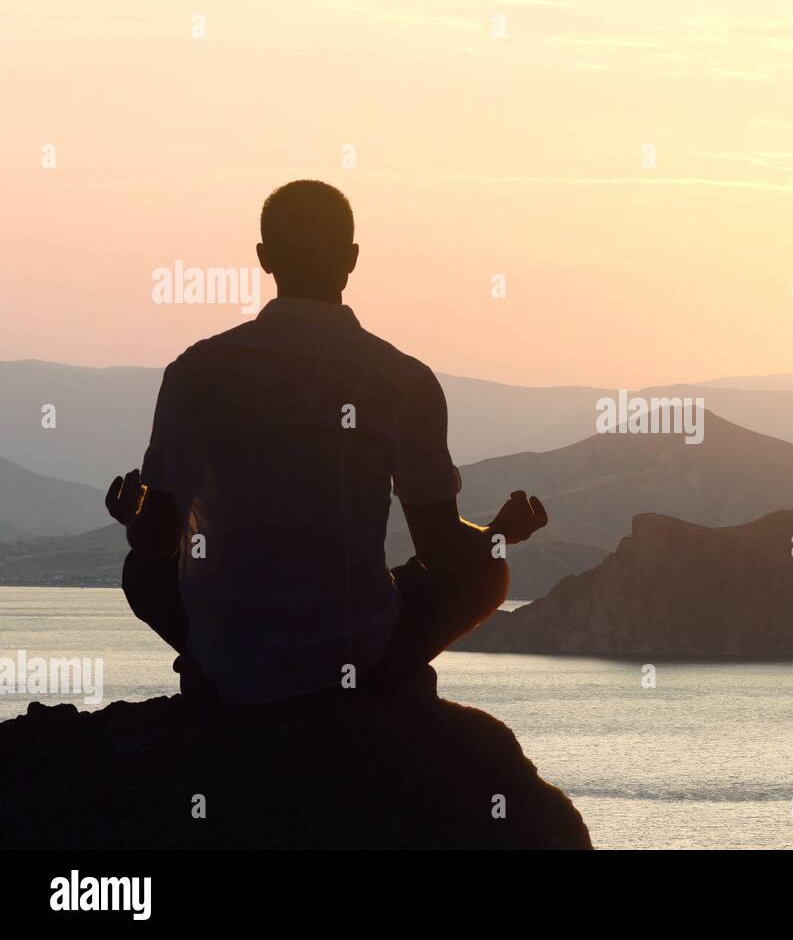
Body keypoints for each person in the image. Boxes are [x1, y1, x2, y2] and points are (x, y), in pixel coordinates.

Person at [105, 180, 546, 704]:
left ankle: (218, 673)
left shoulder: (195, 372)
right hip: (356, 650)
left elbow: (155, 542)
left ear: (264, 259)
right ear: (352, 258)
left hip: (231, 652)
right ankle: (379, 685)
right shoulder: (403, 381)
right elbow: (441, 547)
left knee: (141, 571)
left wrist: (136, 515)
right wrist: (500, 533)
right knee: (489, 573)